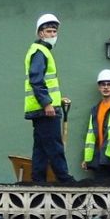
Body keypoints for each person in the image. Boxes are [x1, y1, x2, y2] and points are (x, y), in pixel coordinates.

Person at [23, 12, 73, 183]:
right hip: (44, 110)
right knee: (54, 145)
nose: (52, 35)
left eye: (54, 31)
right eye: (49, 31)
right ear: (40, 33)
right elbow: (36, 80)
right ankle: (64, 179)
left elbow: (44, 82)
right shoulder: (40, 52)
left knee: (41, 148)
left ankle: (38, 180)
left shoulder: (40, 51)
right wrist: (47, 104)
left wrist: (56, 101)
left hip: (40, 108)